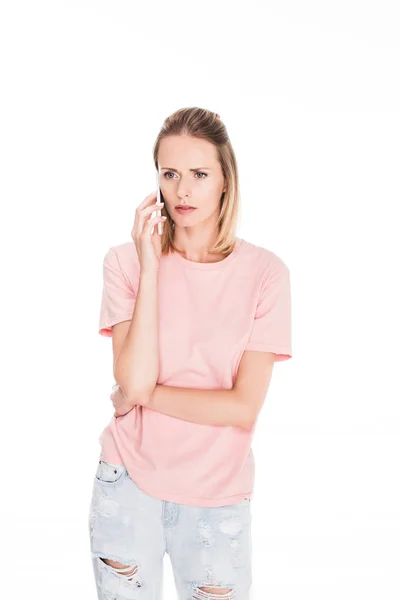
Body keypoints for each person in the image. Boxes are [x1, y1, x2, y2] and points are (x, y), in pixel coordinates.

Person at [87, 106, 292, 600]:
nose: (182, 191)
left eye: (199, 174)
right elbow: (132, 379)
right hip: (127, 483)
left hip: (218, 499)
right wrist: (152, 267)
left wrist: (142, 396)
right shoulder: (124, 262)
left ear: (226, 180)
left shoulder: (265, 274)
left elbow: (242, 406)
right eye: (170, 174)